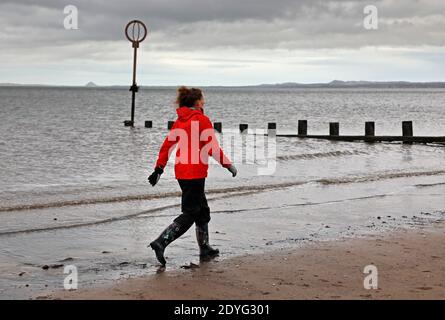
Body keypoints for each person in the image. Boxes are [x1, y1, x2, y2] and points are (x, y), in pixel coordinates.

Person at [148, 86, 237, 266]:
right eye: (202, 99)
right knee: (191, 212)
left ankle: (204, 248)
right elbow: (212, 148)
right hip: (195, 173)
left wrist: (159, 169)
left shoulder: (180, 121)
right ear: (197, 102)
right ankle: (161, 241)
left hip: (182, 172)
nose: (204, 101)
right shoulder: (202, 120)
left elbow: (167, 146)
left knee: (202, 210)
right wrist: (228, 164)